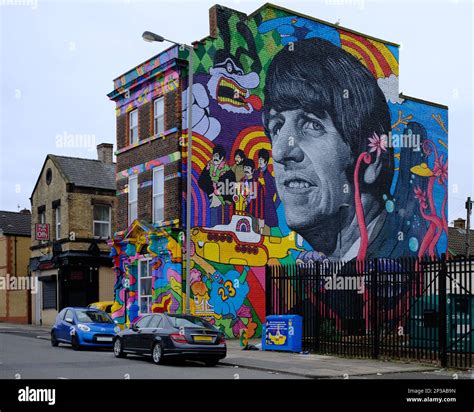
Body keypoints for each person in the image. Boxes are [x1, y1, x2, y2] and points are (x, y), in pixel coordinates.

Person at [262, 37, 394, 261]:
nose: (280, 151)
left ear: (372, 157)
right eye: (277, 127)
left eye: (313, 125)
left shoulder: (391, 261)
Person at [198, 145, 236, 226]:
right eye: (214, 155)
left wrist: (218, 194)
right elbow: (201, 181)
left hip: (222, 203)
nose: (215, 158)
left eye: (217, 156)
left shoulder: (227, 172)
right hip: (210, 198)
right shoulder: (208, 167)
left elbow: (229, 188)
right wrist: (211, 191)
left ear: (222, 158)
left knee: (218, 221)